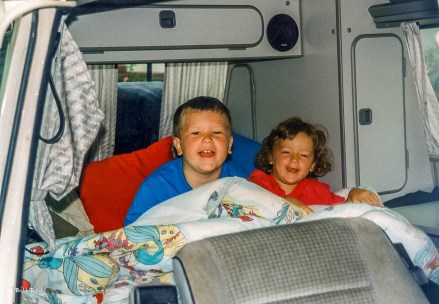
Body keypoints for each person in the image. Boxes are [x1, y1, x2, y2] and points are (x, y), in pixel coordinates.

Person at [124, 96, 246, 226]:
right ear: (178, 146)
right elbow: (131, 236)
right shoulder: (155, 189)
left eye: (216, 132)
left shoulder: (239, 184)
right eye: (196, 133)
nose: (207, 139)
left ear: (229, 144)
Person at [248, 117, 382, 208]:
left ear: (312, 165)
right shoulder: (260, 182)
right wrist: (283, 203)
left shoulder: (317, 190)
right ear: (271, 157)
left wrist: (353, 196)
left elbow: (340, 211)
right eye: (286, 152)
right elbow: (252, 203)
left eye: (304, 155)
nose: (294, 159)